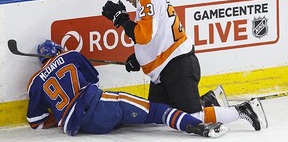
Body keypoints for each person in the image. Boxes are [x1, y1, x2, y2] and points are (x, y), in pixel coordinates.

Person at [101, 0, 268, 131]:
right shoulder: (151, 3)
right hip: (166, 71)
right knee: (159, 116)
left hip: (177, 67)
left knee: (192, 117)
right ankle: (209, 101)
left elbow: (143, 35)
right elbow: (157, 36)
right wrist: (139, 58)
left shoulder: (147, 0)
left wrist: (121, 18)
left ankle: (243, 110)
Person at [26, 39, 268, 138]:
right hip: (101, 106)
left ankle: (206, 103)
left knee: (152, 117)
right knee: (156, 111)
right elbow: (94, 82)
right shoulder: (70, 55)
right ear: (58, 51)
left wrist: (62, 115)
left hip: (85, 128)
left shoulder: (34, 82)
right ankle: (200, 127)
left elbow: (36, 121)